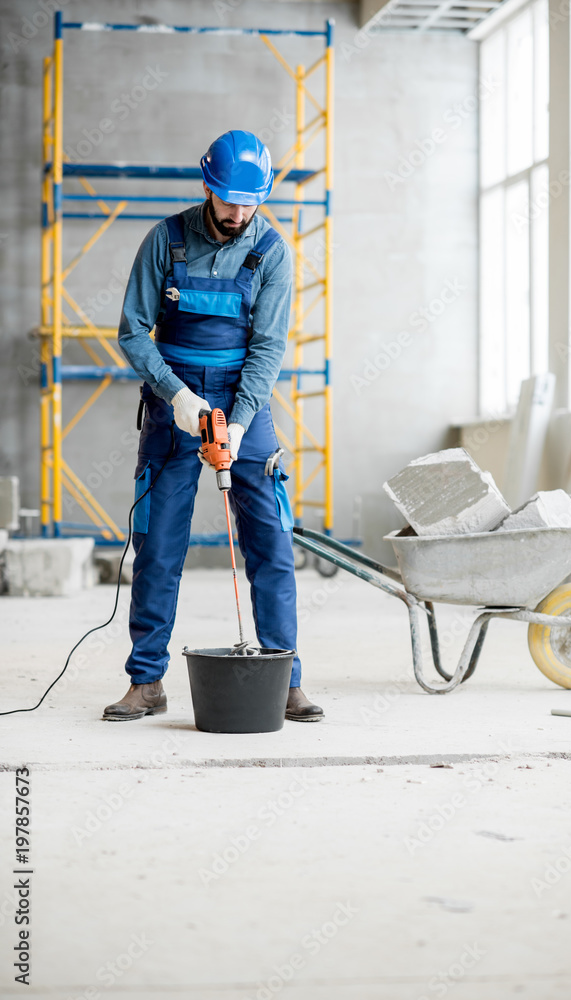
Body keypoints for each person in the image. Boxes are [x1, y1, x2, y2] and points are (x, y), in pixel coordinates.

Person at [102, 130, 322, 724]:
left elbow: (269, 347)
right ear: (207, 187)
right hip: (175, 404)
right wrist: (176, 397)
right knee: (157, 547)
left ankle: (283, 676)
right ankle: (146, 682)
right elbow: (131, 331)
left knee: (273, 545)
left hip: (244, 401)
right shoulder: (165, 241)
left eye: (250, 202)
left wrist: (242, 421)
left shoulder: (271, 252)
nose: (239, 213)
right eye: (228, 201)